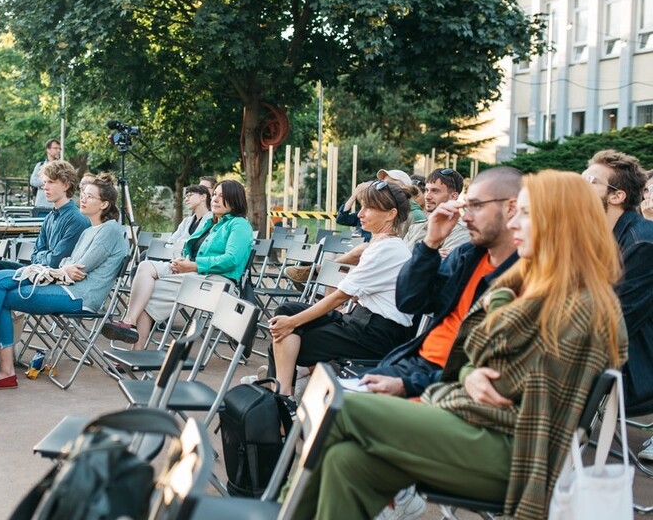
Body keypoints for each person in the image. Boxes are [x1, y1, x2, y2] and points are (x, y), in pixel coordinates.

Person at [297, 170, 626, 520]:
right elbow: (468, 359)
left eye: (526, 214)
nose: (515, 223)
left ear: (560, 222)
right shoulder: (517, 279)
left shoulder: (576, 304)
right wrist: (430, 245)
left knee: (341, 407)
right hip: (470, 416)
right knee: (345, 460)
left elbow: (496, 384)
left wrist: (448, 381)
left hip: (514, 453)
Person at [0, 173, 129, 390]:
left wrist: (65, 268)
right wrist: (65, 268)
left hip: (80, 296)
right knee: (0, 287)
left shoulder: (110, 229)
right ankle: (1, 369)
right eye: (83, 195)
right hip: (64, 286)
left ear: (104, 204)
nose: (82, 199)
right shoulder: (90, 230)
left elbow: (80, 269)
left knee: (0, 282)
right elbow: (67, 265)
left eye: (89, 196)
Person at [360, 166, 522, 398]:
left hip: (446, 383)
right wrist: (430, 243)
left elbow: (483, 371)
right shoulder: (467, 257)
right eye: (467, 207)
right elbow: (409, 301)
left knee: (343, 411)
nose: (465, 217)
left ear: (510, 208)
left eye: (475, 206)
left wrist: (408, 384)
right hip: (417, 363)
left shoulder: (522, 275)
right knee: (332, 401)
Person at [268, 180, 415, 396]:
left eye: (369, 208)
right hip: (360, 320)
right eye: (361, 206)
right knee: (286, 311)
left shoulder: (387, 249)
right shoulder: (381, 244)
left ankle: (283, 401)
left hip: (376, 335)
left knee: (285, 339)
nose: (360, 214)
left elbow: (340, 296)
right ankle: (287, 397)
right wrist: (291, 320)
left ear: (390, 214)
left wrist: (292, 323)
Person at [101, 180, 254, 348]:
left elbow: (231, 260)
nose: (215, 199)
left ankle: (136, 346)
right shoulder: (214, 223)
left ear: (235, 200)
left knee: (149, 292)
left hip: (217, 281)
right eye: (215, 195)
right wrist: (183, 261)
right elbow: (191, 248)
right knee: (144, 267)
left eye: (222, 196)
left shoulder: (239, 225)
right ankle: (129, 322)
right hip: (197, 274)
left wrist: (193, 265)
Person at [581, 151, 653, 410]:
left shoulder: (642, 242)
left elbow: (616, 320)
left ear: (617, 195)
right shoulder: (599, 237)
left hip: (635, 369)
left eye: (591, 180)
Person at [402, 167, 471, 252]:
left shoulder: (461, 231)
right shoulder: (415, 227)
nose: (427, 197)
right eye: (427, 190)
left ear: (453, 196)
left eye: (435, 191)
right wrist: (435, 255)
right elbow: (399, 261)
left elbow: (447, 263)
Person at [30, 138, 62, 208]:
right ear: (48, 150)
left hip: (55, 204)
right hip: (40, 203)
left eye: (59, 149)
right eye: (55, 148)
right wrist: (48, 181)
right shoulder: (40, 165)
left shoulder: (62, 166)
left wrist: (43, 183)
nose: (58, 151)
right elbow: (33, 181)